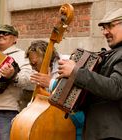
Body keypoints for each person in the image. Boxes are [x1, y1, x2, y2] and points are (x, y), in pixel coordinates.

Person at [57, 8, 122, 140]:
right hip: (99, 130)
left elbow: (116, 88)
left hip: (111, 133)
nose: (105, 32)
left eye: (110, 26)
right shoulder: (112, 53)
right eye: (103, 28)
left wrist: (75, 72)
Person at [0, 24, 34, 140]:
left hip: (6, 110)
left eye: (5, 33)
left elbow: (27, 80)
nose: (1, 35)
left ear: (15, 38)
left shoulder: (22, 56)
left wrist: (12, 76)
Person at [26, 40, 85, 140]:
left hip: (74, 120)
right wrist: (25, 115)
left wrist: (50, 82)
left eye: (35, 63)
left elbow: (75, 93)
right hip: (53, 121)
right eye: (31, 64)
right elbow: (38, 98)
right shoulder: (40, 70)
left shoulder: (68, 62)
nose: (33, 67)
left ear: (46, 58)